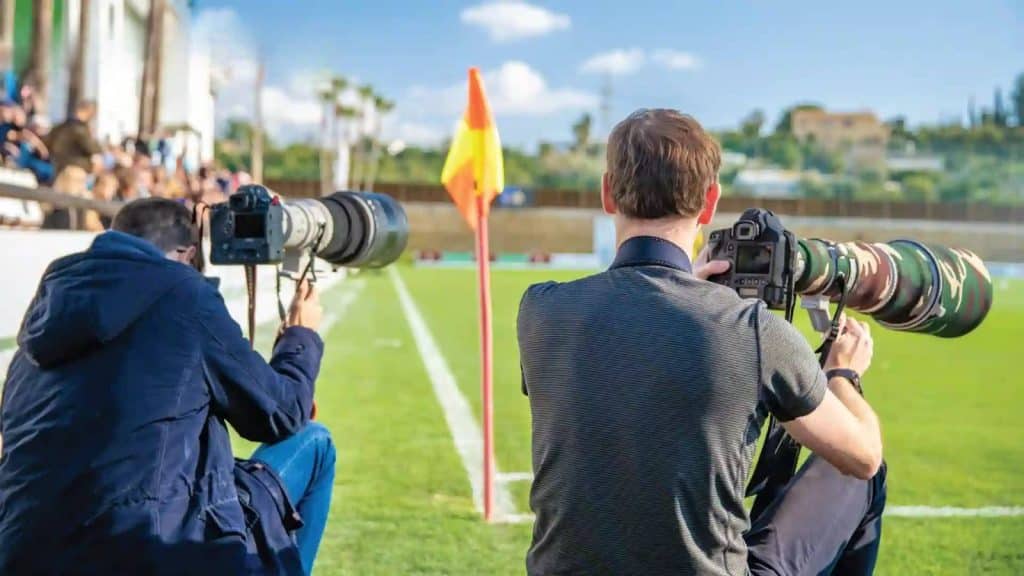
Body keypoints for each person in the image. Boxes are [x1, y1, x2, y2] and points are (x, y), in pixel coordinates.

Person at [518, 109, 885, 576]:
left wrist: (681, 288)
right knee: (861, 474)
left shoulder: (540, 310)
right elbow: (862, 456)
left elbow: (634, 353)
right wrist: (843, 374)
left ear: (608, 194)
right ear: (709, 203)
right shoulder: (753, 331)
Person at [0, 198, 335, 575]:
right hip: (144, 551)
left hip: (22, 552)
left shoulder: (47, 307)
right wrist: (300, 337)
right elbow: (282, 414)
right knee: (315, 443)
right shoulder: (184, 293)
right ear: (187, 253)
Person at [45, 99, 101, 175]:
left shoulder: (61, 126)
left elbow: (47, 142)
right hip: (75, 168)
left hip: (58, 166)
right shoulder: (79, 128)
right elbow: (93, 148)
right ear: (89, 111)